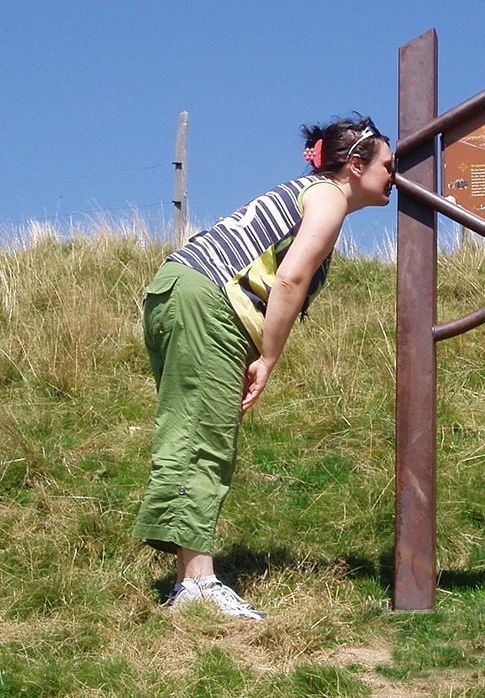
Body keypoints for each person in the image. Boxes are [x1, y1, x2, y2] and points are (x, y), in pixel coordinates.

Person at [133, 115, 394, 620]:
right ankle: (199, 584)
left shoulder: (307, 191)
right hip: (208, 302)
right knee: (205, 436)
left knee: (192, 428)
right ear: (356, 165)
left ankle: (190, 576)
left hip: (176, 292)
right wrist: (269, 357)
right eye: (388, 164)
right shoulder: (328, 198)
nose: (394, 174)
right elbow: (291, 280)